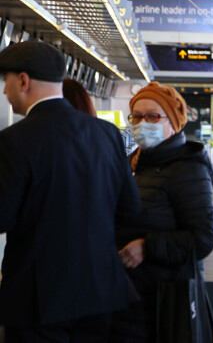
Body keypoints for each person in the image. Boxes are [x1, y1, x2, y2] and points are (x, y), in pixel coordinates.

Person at [0, 41, 140, 342]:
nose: (4, 91)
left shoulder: (13, 141)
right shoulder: (106, 135)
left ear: (23, 81)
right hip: (99, 291)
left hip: (37, 298)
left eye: (6, 82)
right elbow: (129, 208)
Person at [109, 82, 213, 342]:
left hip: (165, 302)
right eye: (136, 116)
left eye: (153, 116)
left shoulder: (188, 168)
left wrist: (148, 247)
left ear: (174, 122)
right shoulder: (132, 163)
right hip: (126, 295)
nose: (142, 123)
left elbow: (203, 238)